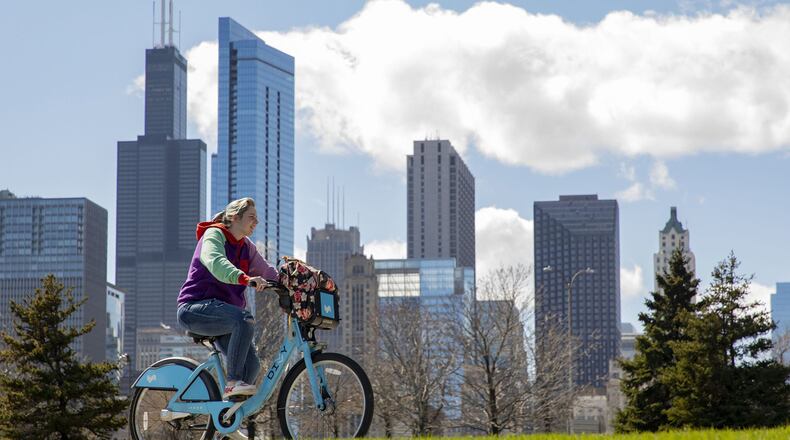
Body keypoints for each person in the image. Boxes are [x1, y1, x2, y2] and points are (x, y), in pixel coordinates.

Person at [177, 197, 278, 399]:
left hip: (223, 315)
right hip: (194, 308)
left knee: (252, 365)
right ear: (234, 217)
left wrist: (292, 283)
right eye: (251, 217)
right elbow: (216, 262)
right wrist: (244, 277)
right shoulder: (214, 235)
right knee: (244, 318)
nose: (256, 222)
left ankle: (228, 417)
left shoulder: (246, 246)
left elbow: (267, 271)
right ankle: (232, 383)